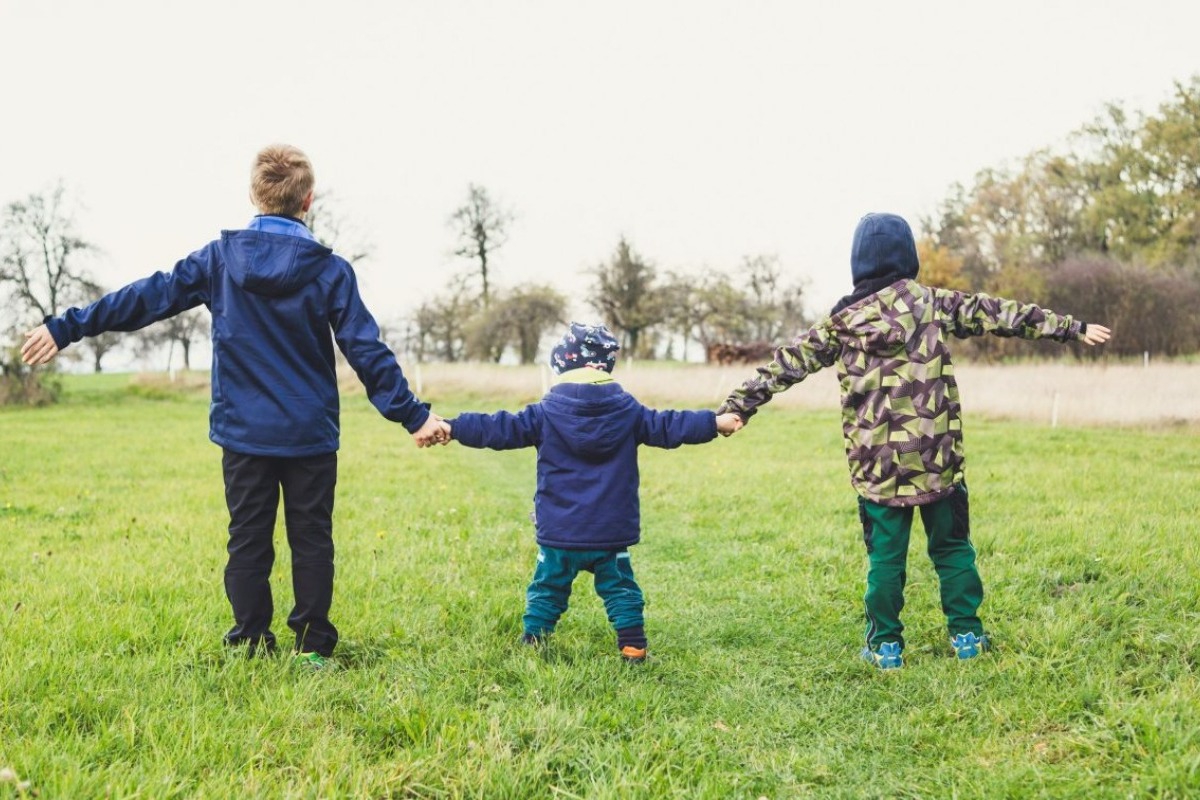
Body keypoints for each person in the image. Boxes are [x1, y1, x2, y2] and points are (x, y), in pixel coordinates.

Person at [21, 143, 447, 668]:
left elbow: (146, 297)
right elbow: (365, 349)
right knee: (311, 538)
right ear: (308, 200)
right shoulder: (331, 270)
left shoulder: (220, 260)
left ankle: (249, 641)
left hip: (244, 433)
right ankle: (312, 648)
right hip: (309, 433)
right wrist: (414, 415)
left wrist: (68, 326)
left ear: (253, 194)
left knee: (247, 540)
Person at [718, 212, 1111, 670]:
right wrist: (1070, 327)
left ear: (858, 264)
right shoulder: (931, 303)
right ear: (909, 257)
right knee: (952, 549)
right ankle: (966, 636)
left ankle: (885, 646)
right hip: (937, 458)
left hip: (878, 469)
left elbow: (785, 364)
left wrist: (739, 406)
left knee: (885, 559)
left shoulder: (840, 324)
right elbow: (998, 313)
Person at [439, 322, 742, 662]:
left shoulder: (544, 413)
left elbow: (497, 428)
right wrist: (714, 423)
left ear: (562, 366)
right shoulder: (629, 412)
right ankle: (632, 645)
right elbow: (670, 425)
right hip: (609, 531)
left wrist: (453, 426)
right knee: (621, 589)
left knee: (547, 587)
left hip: (560, 531)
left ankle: (534, 640)